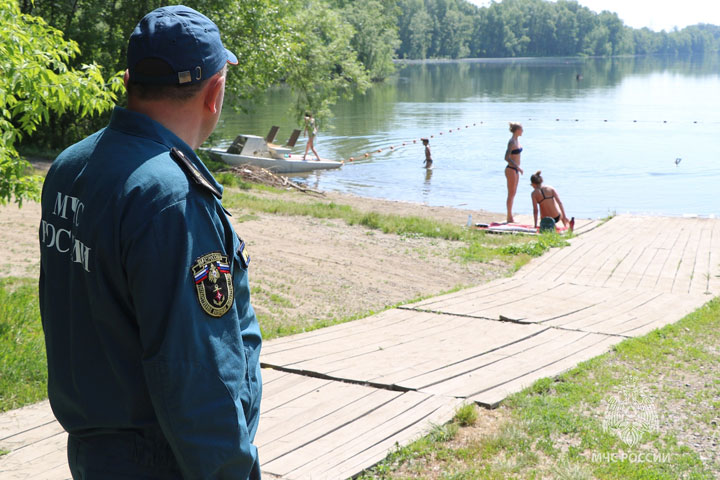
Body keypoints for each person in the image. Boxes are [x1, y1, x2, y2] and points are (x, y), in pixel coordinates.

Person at [38, 6, 262, 479]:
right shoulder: (171, 197)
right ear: (215, 92)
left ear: (127, 80)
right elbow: (198, 373)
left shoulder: (70, 166)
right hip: (166, 461)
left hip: (95, 453)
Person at [504, 122, 524, 223]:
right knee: (511, 193)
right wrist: (517, 167)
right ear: (517, 130)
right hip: (511, 169)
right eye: (521, 129)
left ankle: (510, 215)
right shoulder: (511, 142)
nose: (523, 131)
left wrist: (518, 168)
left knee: (514, 193)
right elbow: (506, 158)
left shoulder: (517, 141)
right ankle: (509, 216)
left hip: (516, 169)